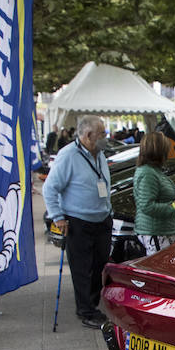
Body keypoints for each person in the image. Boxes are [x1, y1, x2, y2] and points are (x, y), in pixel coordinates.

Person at [43, 115, 113, 328]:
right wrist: (58, 217)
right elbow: (49, 188)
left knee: (100, 264)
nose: (105, 137)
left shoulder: (98, 153)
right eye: (102, 134)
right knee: (82, 268)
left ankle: (92, 304)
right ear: (89, 135)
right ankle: (85, 310)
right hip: (79, 220)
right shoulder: (69, 155)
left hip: (102, 217)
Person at [132, 133, 175, 256]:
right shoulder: (148, 173)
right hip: (156, 231)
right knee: (159, 266)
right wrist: (173, 206)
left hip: (161, 231)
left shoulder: (153, 171)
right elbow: (147, 206)